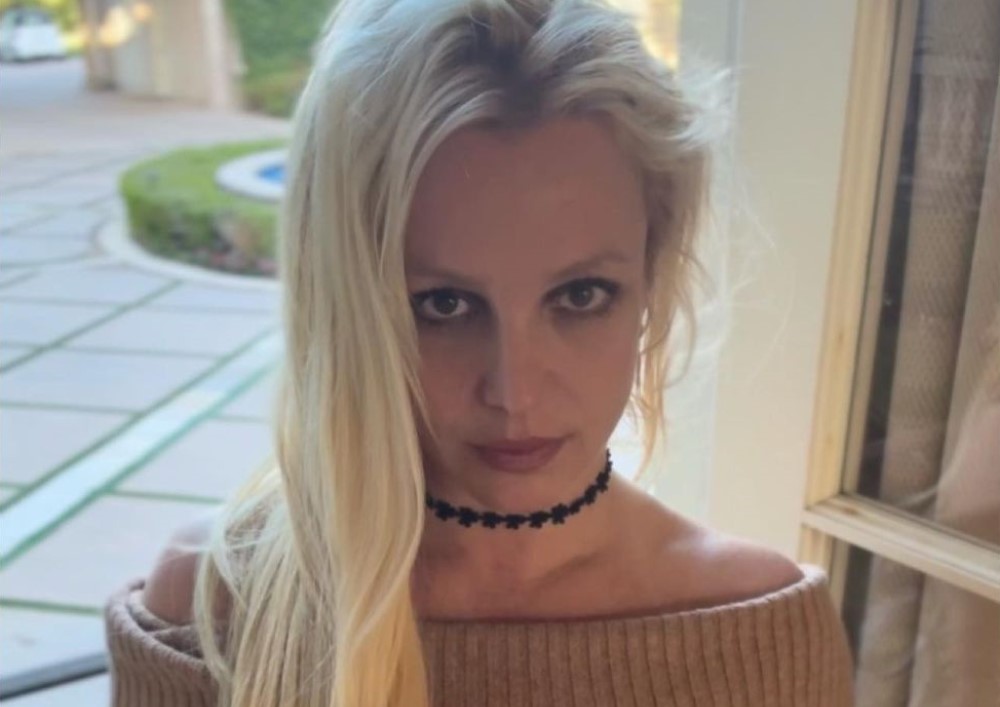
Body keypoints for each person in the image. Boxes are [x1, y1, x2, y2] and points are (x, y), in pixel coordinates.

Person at [104, 0, 856, 705]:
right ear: (345, 306)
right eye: (443, 305)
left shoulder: (757, 633)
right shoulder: (215, 606)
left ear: (652, 278)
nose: (515, 391)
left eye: (581, 295)